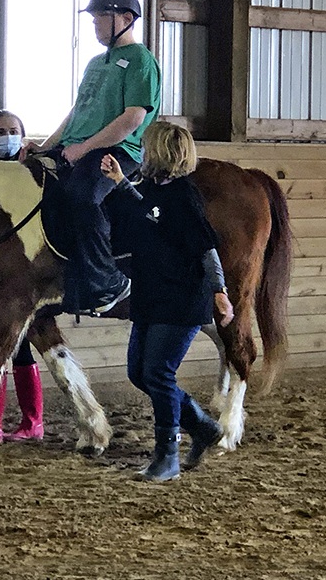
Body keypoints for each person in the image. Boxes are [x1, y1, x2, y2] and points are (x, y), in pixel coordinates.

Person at [100, 121, 235, 482]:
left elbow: (207, 250)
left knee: (158, 373)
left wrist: (220, 293)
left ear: (160, 152)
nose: (141, 153)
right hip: (151, 293)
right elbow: (146, 210)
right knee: (139, 373)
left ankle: (167, 456)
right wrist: (119, 181)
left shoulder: (184, 197)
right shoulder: (154, 189)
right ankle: (202, 427)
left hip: (181, 298)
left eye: (145, 147)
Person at [21, 0, 160, 315]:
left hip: (117, 150)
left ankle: (107, 280)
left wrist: (84, 148)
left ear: (126, 18)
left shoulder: (141, 60)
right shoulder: (96, 63)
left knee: (84, 197)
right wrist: (45, 147)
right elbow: (77, 111)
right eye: (95, 18)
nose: (95, 24)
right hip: (78, 147)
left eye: (101, 17)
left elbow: (132, 118)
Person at [0, 110, 44, 443]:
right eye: (1, 131)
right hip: (1, 271)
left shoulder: (33, 167)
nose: (7, 136)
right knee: (19, 344)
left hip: (25, 270)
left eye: (13, 130)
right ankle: (30, 421)